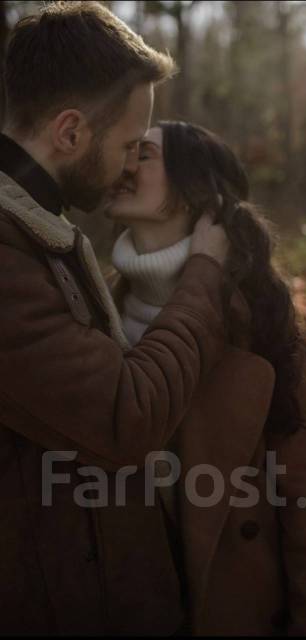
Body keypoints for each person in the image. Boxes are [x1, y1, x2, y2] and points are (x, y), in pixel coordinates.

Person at [0, 3, 232, 635]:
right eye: (130, 144)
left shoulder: (35, 232)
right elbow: (126, 417)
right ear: (70, 132)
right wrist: (204, 278)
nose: (134, 163)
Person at [106, 121, 306, 636]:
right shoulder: (92, 310)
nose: (124, 163)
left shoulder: (264, 318)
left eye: (143, 153)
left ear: (197, 190)